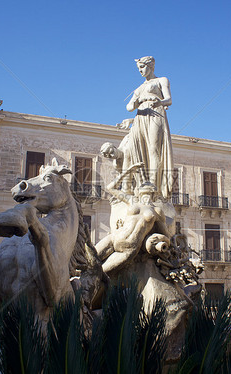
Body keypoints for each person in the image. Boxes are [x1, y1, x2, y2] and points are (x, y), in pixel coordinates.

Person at [95, 163, 171, 276]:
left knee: (100, 273)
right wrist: (128, 171)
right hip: (114, 237)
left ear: (154, 194)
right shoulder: (132, 201)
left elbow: (166, 236)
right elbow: (110, 188)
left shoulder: (157, 211)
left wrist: (157, 241)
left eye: (149, 192)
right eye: (143, 192)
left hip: (130, 248)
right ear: (139, 193)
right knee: (88, 263)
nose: (146, 195)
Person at [119, 56, 174, 199]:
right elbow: (129, 107)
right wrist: (138, 101)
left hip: (156, 115)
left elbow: (169, 99)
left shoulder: (162, 80)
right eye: (139, 69)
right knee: (136, 151)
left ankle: (153, 185)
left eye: (142, 67)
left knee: (153, 149)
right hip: (140, 118)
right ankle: (142, 183)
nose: (140, 71)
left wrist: (160, 102)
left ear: (151, 66)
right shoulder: (138, 89)